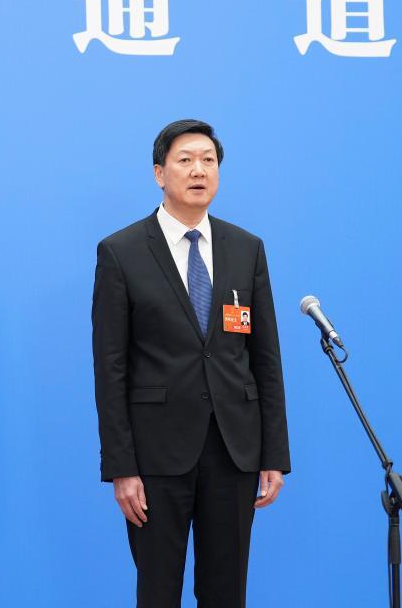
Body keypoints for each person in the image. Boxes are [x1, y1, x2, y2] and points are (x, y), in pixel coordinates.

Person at [91, 119, 291, 608]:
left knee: (226, 593)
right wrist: (121, 467)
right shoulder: (121, 252)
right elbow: (110, 368)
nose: (199, 170)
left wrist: (273, 454)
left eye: (209, 160)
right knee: (158, 592)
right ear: (160, 173)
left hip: (234, 450)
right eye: (185, 160)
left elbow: (266, 359)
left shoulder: (246, 248)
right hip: (156, 456)